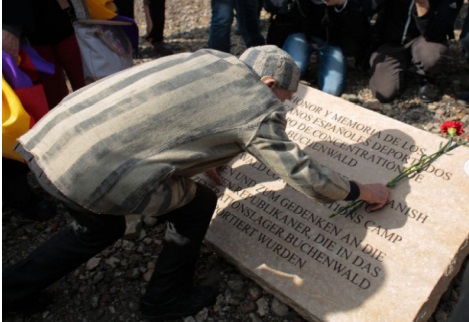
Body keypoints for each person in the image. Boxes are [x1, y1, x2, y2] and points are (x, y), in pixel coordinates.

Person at [2, 45, 391, 320]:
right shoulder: (258, 102)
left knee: (97, 228)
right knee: (196, 206)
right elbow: (302, 172)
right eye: (285, 99)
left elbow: (178, 117)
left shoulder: (210, 57)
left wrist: (202, 161)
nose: (282, 107)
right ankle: (164, 297)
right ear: (269, 84)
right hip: (86, 175)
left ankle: (13, 291)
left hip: (50, 140)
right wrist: (358, 190)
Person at [265, 0, 372, 96]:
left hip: (334, 37)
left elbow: (362, 18)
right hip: (299, 30)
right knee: (286, 74)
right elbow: (271, 5)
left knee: (332, 90)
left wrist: (342, 3)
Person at [368, 0, 463, 103]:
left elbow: (436, 34)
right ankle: (398, 69)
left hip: (425, 40)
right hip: (391, 42)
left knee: (431, 56)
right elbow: (369, 8)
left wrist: (422, 4)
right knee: (384, 92)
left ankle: (428, 78)